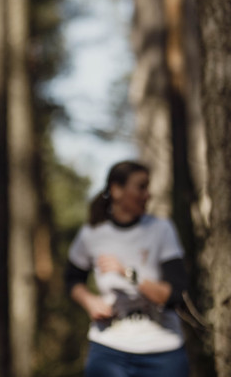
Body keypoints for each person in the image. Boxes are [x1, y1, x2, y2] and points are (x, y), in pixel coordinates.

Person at [65, 160, 191, 377]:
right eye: (141, 187)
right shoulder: (92, 234)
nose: (147, 195)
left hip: (163, 352)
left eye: (148, 187)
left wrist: (128, 274)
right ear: (116, 190)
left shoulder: (161, 229)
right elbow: (72, 279)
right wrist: (89, 301)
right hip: (109, 349)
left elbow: (176, 294)